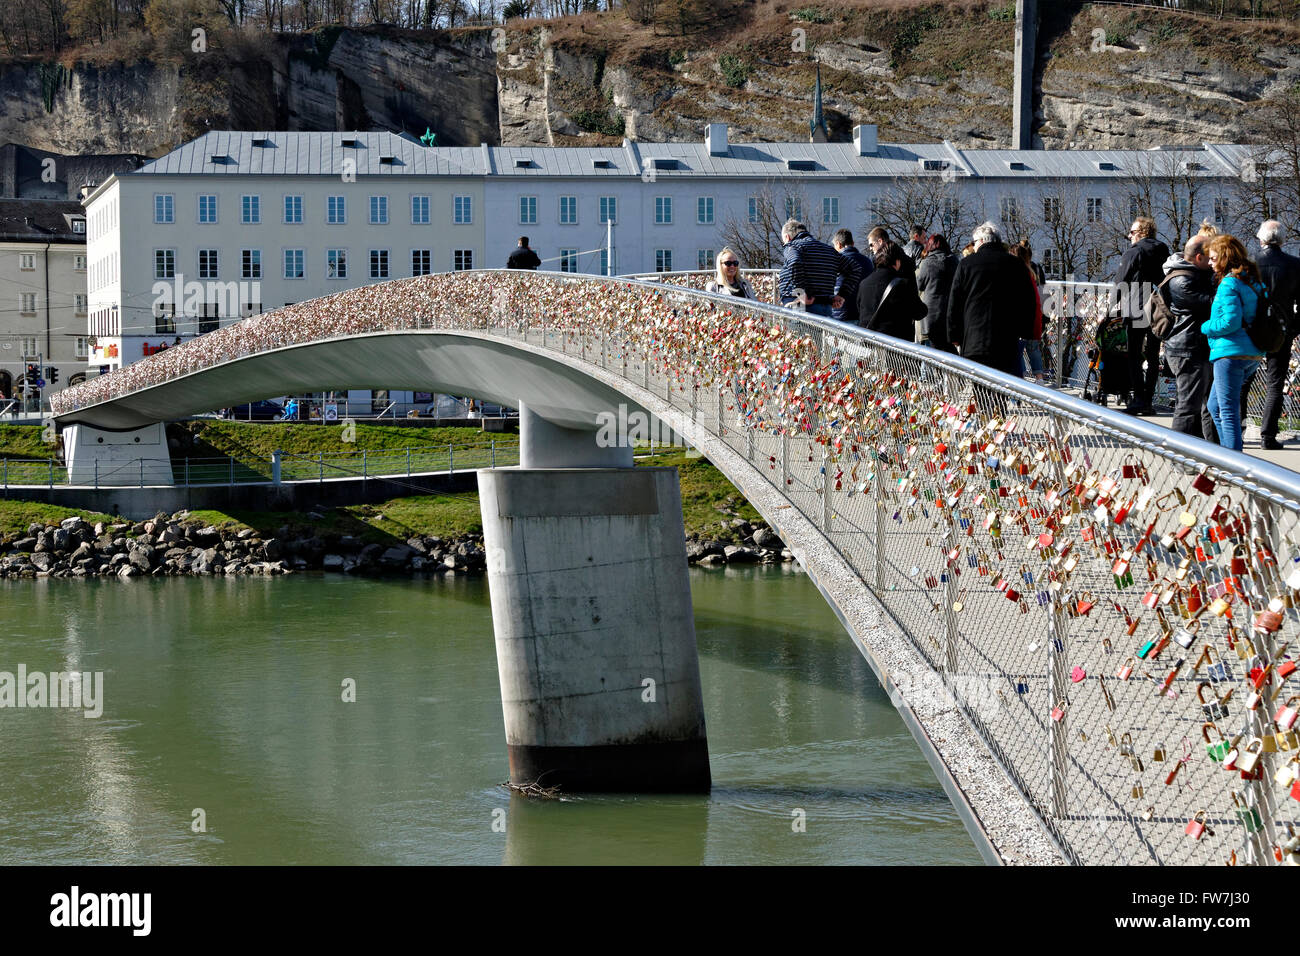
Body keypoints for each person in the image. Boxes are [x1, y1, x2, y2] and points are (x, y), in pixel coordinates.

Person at [944, 221, 1036, 376]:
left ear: (981, 241)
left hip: (974, 340)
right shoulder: (1015, 264)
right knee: (1001, 388)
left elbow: (955, 302)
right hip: (1006, 339)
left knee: (980, 389)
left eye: (974, 243)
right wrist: (1025, 331)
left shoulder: (966, 264)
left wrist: (954, 335)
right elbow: (1028, 301)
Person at [1202, 234, 1265, 453]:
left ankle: (1234, 461)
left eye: (1212, 258)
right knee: (1215, 406)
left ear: (1223, 257)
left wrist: (1206, 326)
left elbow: (1230, 321)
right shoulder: (1252, 280)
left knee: (1226, 410)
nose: (1209, 263)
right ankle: (1229, 453)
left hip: (1230, 352)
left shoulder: (1229, 283)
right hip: (1252, 351)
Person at [1160, 234, 1217, 441]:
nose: (1213, 262)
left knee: (1203, 404)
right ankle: (1179, 455)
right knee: (1188, 405)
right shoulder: (1182, 280)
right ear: (1199, 257)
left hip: (1193, 346)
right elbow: (1211, 304)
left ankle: (1205, 451)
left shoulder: (1194, 275)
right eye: (1210, 257)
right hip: (1186, 348)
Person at [1115, 216, 1171, 414]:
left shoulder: (1134, 251)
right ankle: (1148, 400)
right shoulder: (1163, 250)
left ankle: (1138, 399)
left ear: (1141, 232)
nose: (1129, 235)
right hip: (1158, 308)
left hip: (1136, 307)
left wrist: (1112, 307)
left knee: (1134, 355)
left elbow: (1121, 281)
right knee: (1153, 356)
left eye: (1132, 232)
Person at [1253, 220, 1300, 449]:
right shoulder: (1294, 265)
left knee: (1244, 381)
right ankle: (1268, 435)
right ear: (1281, 239)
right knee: (1275, 383)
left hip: (1252, 329)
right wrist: (1293, 327)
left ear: (1261, 238)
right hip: (1282, 330)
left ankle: (1237, 431)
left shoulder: (1251, 263)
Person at [855, 241, 925, 341]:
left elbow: (859, 309)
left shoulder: (864, 283)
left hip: (868, 342)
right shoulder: (901, 285)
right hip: (894, 346)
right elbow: (919, 312)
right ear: (897, 262)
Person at [777, 219, 848, 317]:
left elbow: (794, 262)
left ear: (787, 237)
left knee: (797, 332)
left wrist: (801, 292)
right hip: (825, 307)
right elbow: (855, 269)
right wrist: (842, 295)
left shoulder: (792, 246)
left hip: (799, 307)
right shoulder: (829, 250)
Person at [1010, 241, 1046, 382]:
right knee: (1033, 349)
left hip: (1022, 318)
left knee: (1017, 351)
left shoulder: (1016, 272)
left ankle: (1021, 377)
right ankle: (1039, 377)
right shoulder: (1034, 270)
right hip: (1036, 315)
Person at [915, 233, 958, 351]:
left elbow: (919, 285)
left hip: (930, 316)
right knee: (949, 350)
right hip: (950, 313)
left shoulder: (927, 263)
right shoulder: (954, 261)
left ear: (930, 246)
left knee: (930, 354)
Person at [830, 228, 874, 322]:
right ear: (853, 243)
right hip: (863, 314)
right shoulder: (868, 262)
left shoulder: (837, 261)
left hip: (841, 314)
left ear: (838, 244)